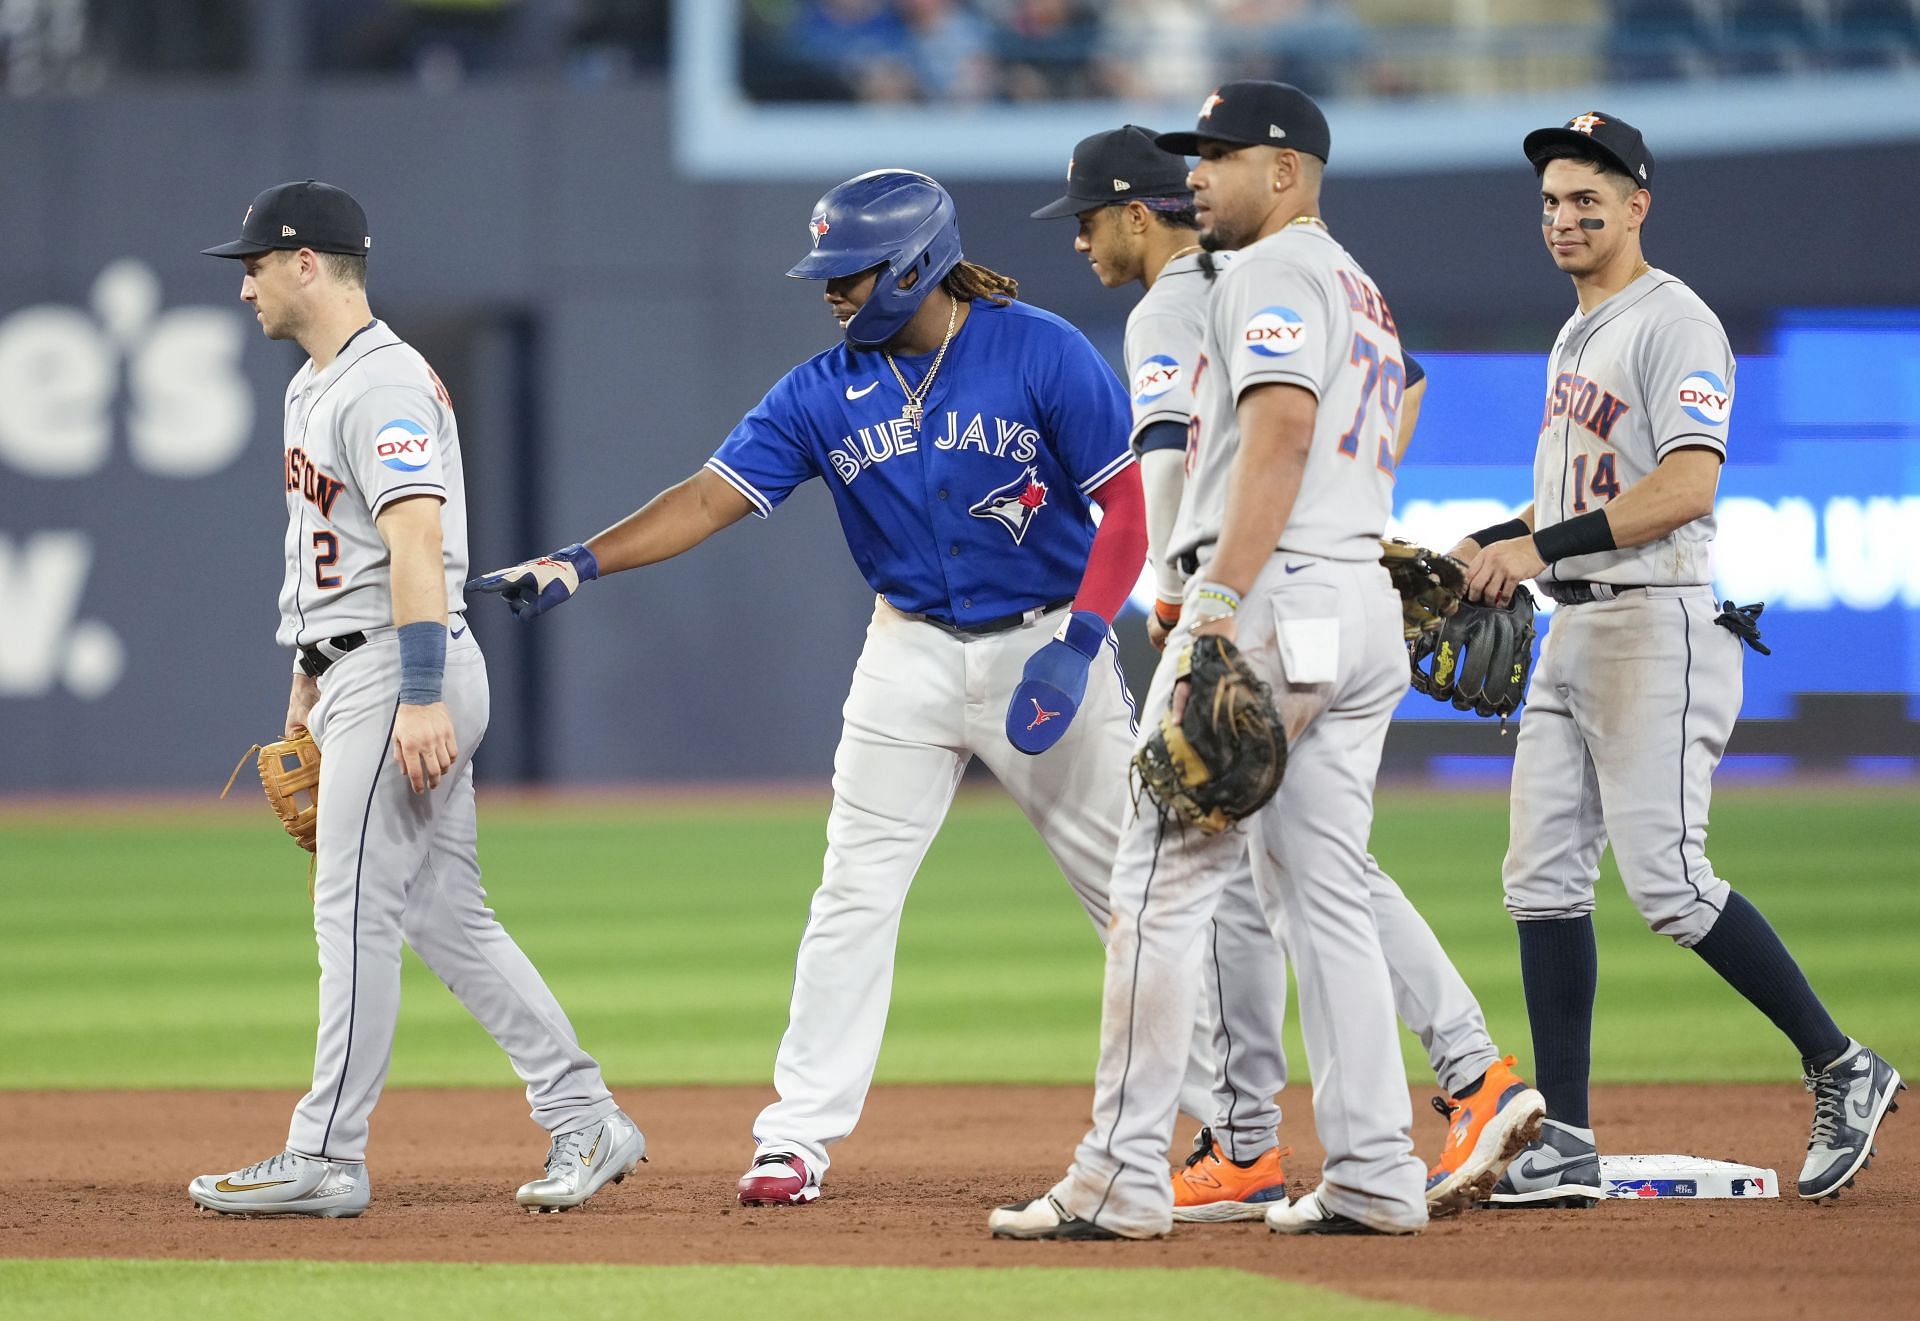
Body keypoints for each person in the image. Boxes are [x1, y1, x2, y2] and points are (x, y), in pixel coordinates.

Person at [467, 168, 1244, 1208]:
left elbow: (1128, 517)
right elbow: (709, 497)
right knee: (852, 896)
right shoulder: (821, 388)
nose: (832, 292)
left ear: (916, 263)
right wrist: (582, 559)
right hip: (907, 652)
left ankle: (1238, 1123)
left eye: (850, 272)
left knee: (1130, 895)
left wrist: (1084, 641)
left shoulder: (1041, 349)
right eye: (827, 273)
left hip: (1048, 637)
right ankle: (795, 1140)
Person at [1031, 123, 1544, 1221]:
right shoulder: (1355, 282)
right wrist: (1351, 526)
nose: (1194, 178)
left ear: (1281, 170)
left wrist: (1201, 600)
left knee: (1157, 878)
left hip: (1261, 591)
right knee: (1324, 891)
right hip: (1346, 596)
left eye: (1210, 160)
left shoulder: (1208, 287)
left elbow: (1249, 441)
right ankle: (1371, 1172)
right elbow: (1393, 394)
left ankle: (1119, 1180)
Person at [1451, 112, 1904, 1206]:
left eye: (1588, 198)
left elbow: (1686, 488)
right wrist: (1491, 539)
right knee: (1540, 883)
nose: (1565, 216)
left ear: (1638, 204)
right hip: (1579, 629)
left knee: (1672, 883)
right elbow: (1582, 496)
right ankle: (1565, 1135)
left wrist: (1535, 545)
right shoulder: (1579, 329)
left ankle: (1845, 1065)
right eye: (1553, 200)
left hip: (1660, 626)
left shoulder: (1676, 321)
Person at [188, 181, 644, 1219]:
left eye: (254, 263)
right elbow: (338, 559)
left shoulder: (382, 385)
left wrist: (422, 694)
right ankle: (587, 1115)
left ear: (308, 261)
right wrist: (306, 679)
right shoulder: (317, 382)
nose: (244, 284)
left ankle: (325, 1153)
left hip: (405, 671)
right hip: (359, 668)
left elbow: (417, 543)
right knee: (449, 915)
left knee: (352, 910)